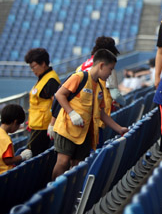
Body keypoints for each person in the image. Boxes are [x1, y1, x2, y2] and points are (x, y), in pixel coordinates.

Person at [52, 49, 128, 180]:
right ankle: (52, 192)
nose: (110, 73)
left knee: (78, 166)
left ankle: (69, 195)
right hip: (67, 129)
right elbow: (59, 94)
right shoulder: (79, 77)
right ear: (101, 65)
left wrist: (119, 129)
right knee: (63, 162)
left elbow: (101, 113)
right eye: (110, 69)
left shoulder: (99, 86)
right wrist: (72, 112)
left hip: (85, 132)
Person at [49, 36, 120, 147]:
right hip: (90, 123)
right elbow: (61, 94)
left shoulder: (81, 66)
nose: (110, 73)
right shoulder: (106, 68)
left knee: (76, 161)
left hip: (78, 123)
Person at [24, 48, 60, 156]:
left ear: (43, 64)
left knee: (30, 156)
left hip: (43, 128)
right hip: (36, 125)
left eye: (33, 66)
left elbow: (57, 103)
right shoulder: (43, 77)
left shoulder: (51, 80)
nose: (32, 70)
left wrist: (52, 124)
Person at [0, 104, 32, 174]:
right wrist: (22, 156)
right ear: (15, 122)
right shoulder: (5, 139)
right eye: (18, 124)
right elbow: (7, 160)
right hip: (5, 175)